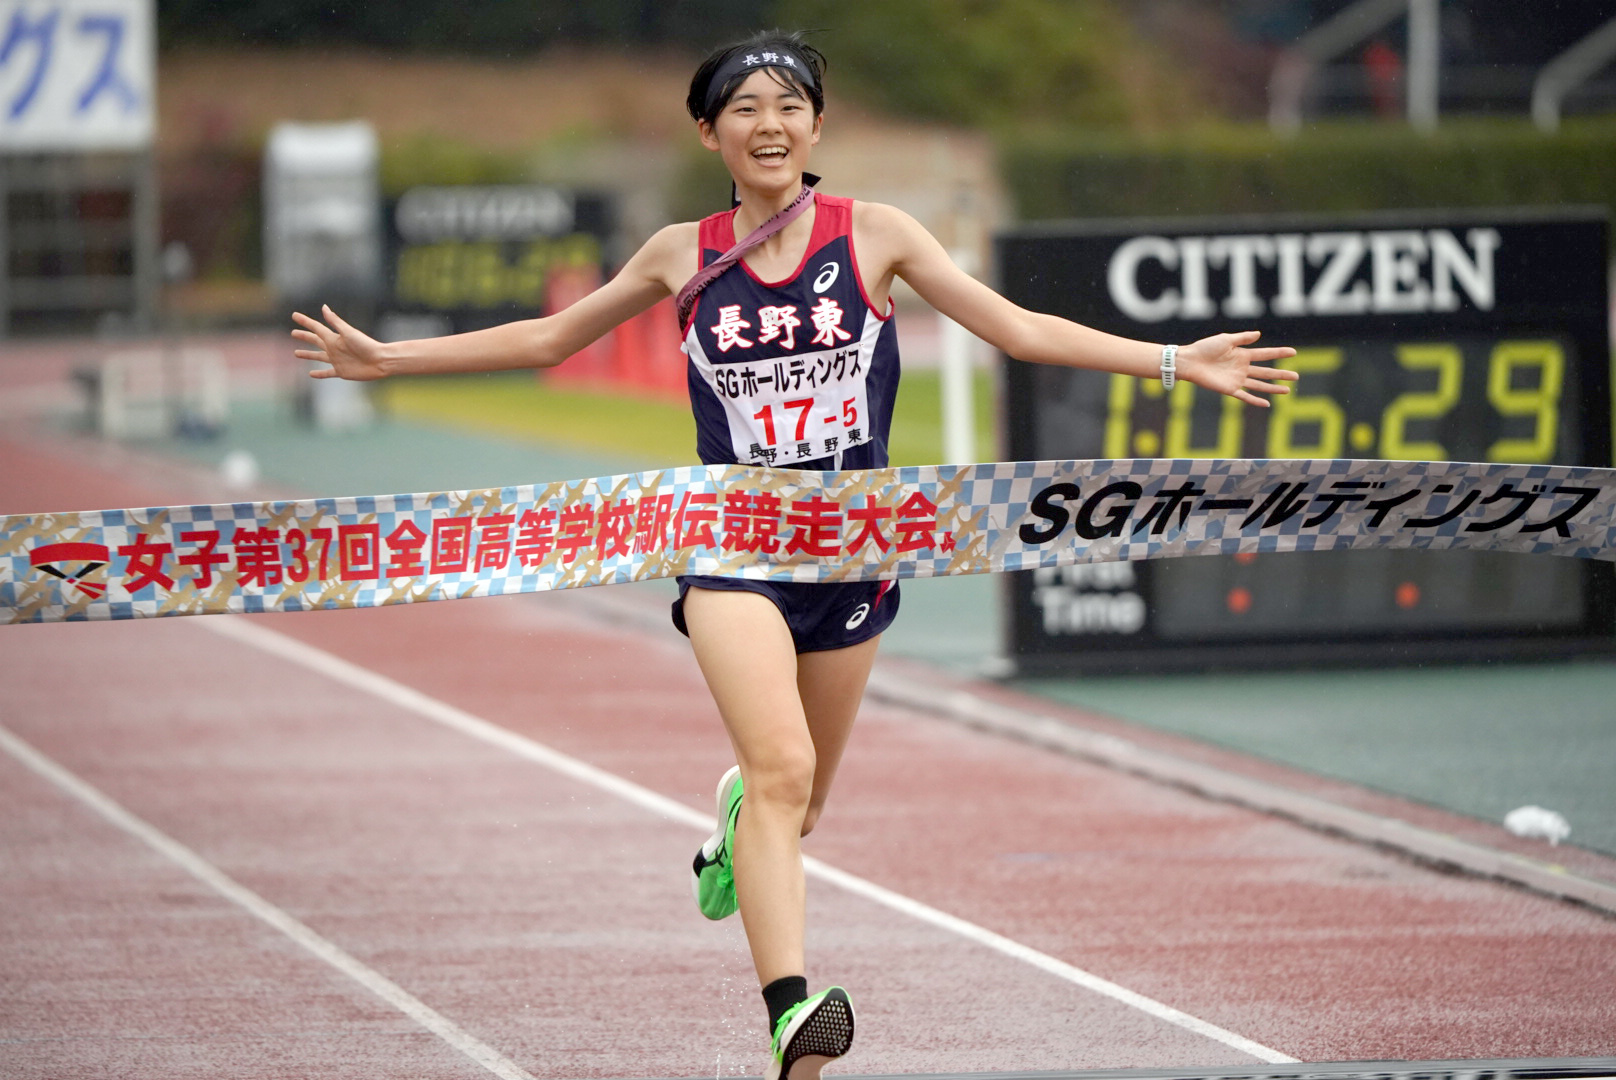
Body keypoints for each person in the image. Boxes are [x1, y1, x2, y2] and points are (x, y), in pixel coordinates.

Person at [291, 29, 1298, 1080]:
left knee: (800, 800)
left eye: (788, 106)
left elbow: (1015, 331)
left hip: (853, 550)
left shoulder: (876, 235)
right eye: (745, 108)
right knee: (782, 768)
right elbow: (550, 340)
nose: (768, 125)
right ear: (709, 133)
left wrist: (1174, 360)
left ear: (816, 126)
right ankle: (790, 1015)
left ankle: (735, 818)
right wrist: (387, 359)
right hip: (732, 546)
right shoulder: (680, 254)